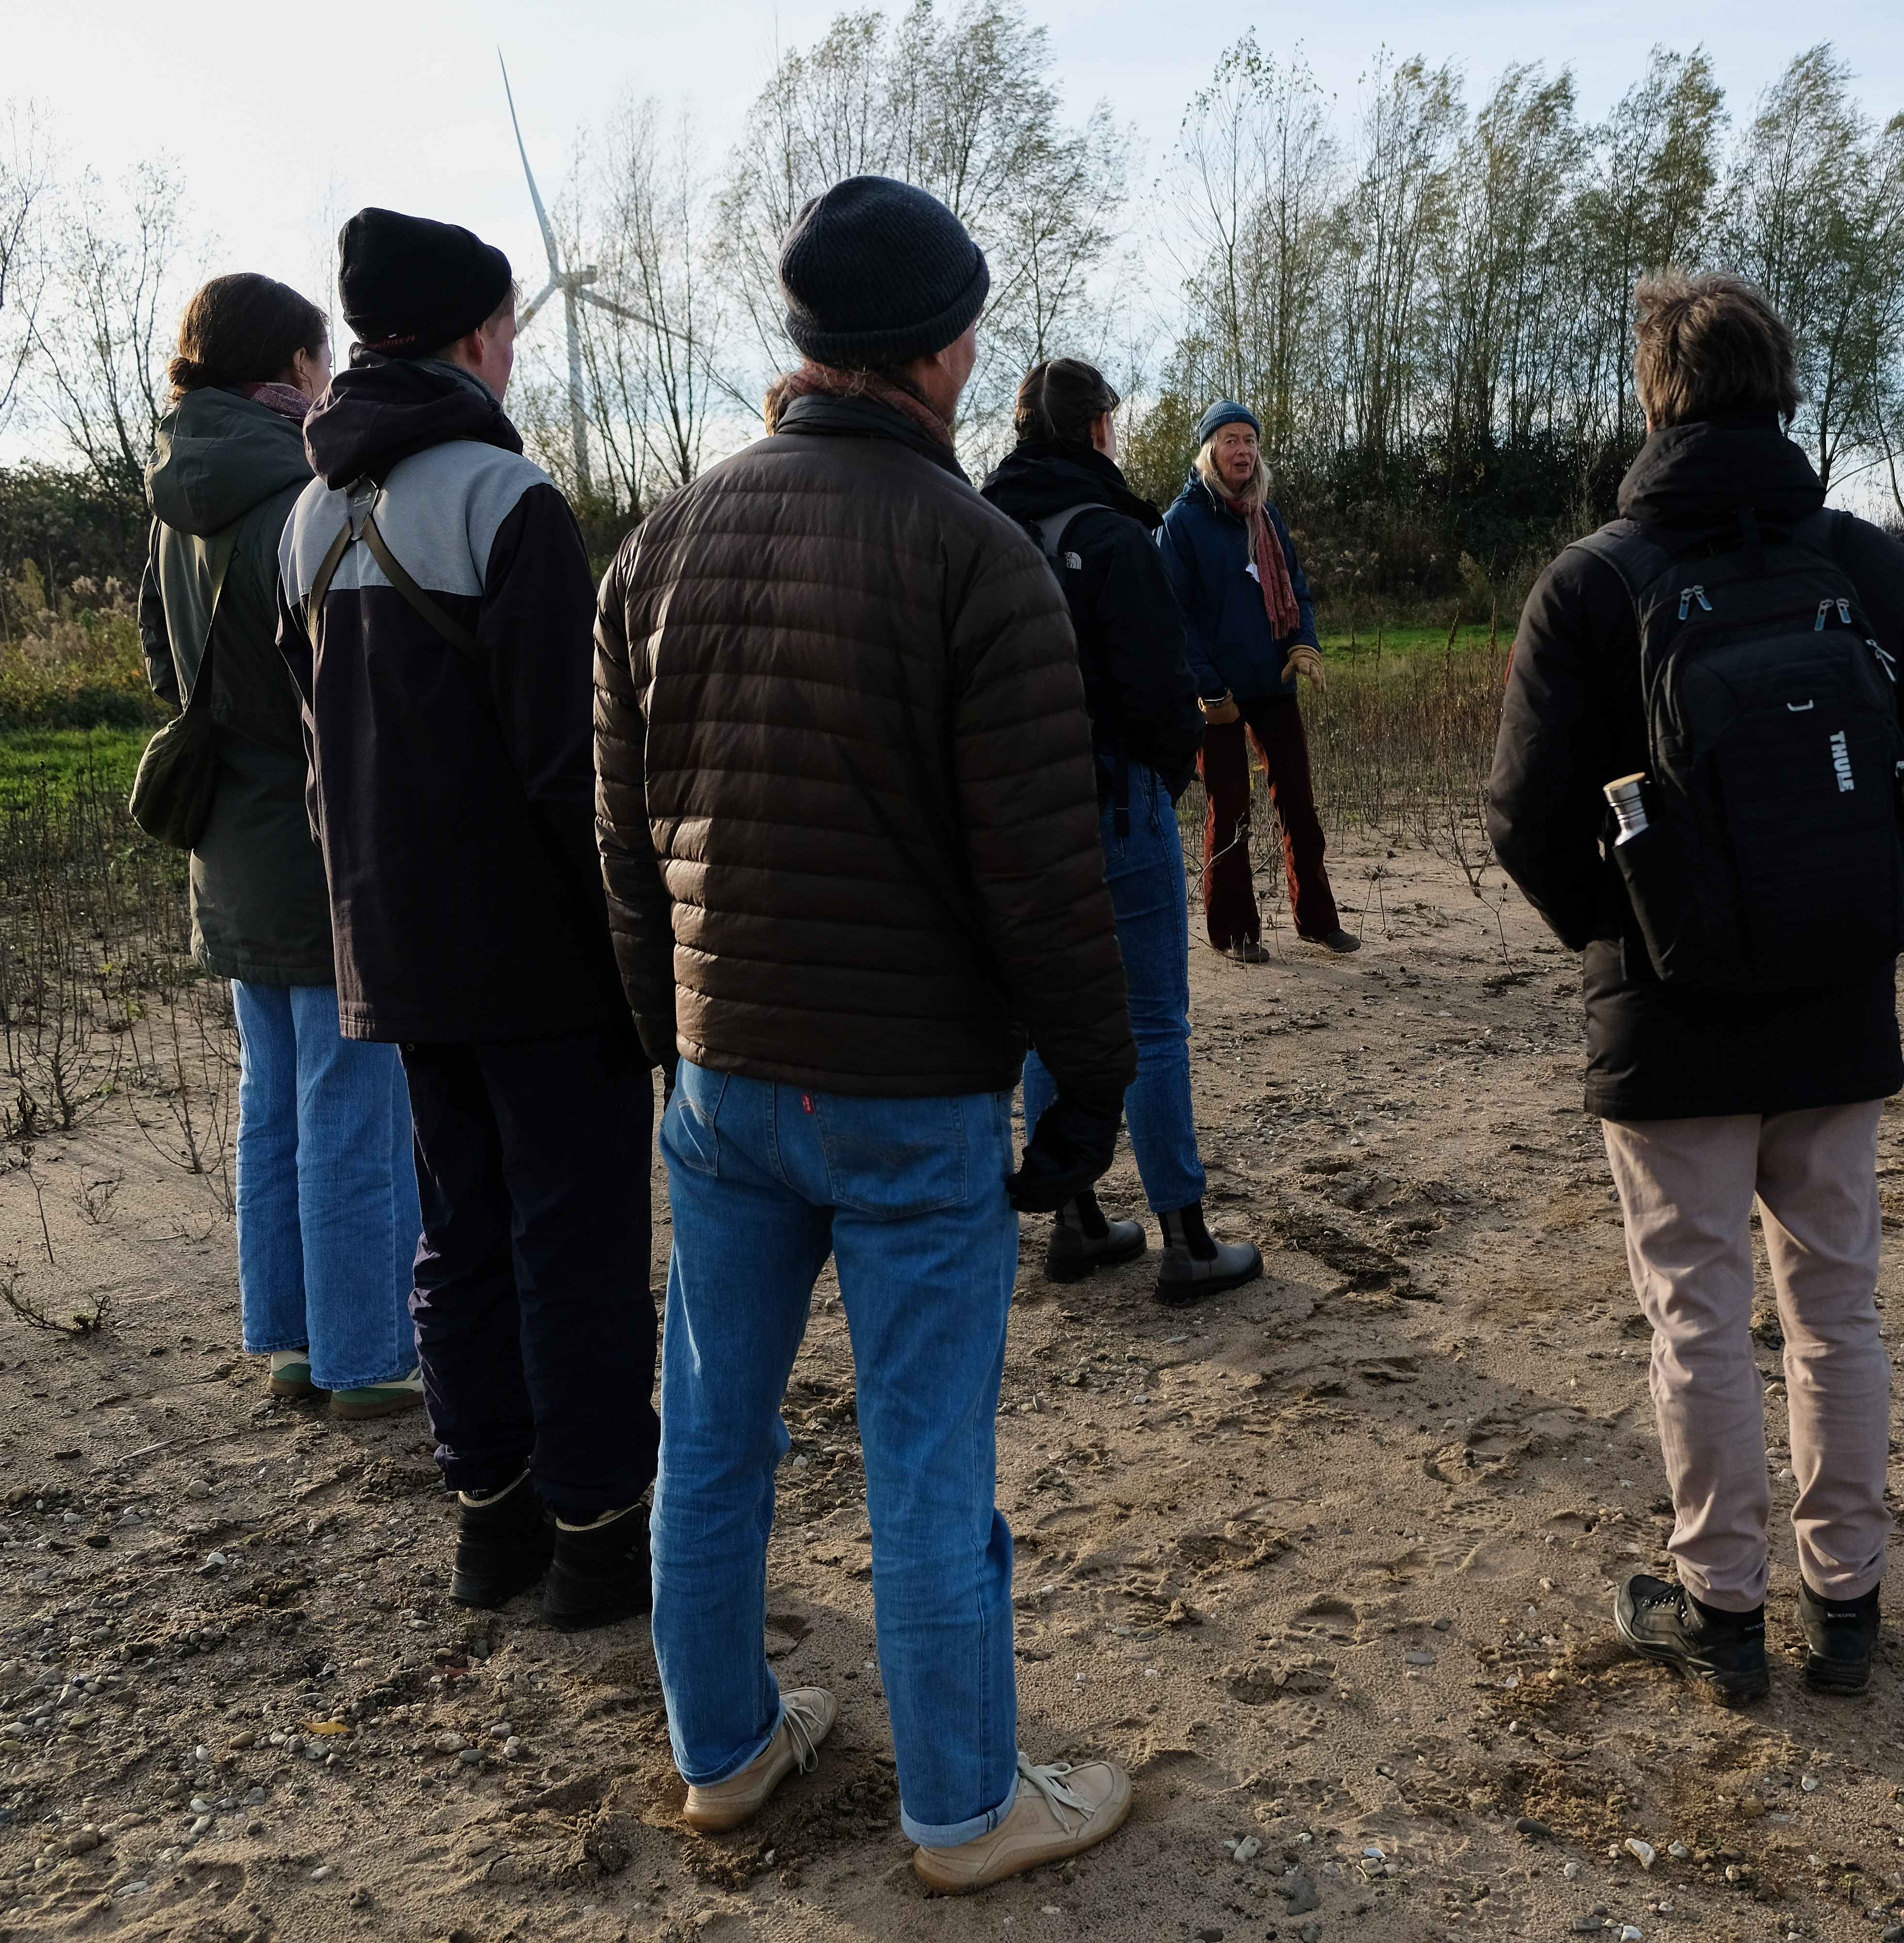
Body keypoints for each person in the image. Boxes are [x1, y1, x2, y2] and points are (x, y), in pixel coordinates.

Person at [596, 175, 1139, 1888]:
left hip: (722, 1074)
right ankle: (965, 1806)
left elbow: (620, 844)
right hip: (907, 1098)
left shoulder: (656, 546)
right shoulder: (976, 561)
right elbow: (1047, 882)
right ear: (952, 346)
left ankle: (726, 1749)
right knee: (922, 1460)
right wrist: (1092, 1086)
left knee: (714, 1437)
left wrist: (664, 1039)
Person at [1487, 271, 1904, 1707]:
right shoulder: (1869, 567)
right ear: (1786, 388)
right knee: (1836, 1308)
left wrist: (1631, 933)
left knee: (1693, 1313)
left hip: (1670, 1020)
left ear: (1653, 394)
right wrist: (1852, 912)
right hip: (1834, 1002)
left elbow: (1522, 819)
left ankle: (1723, 1606)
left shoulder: (1594, 579)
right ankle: (1848, 1602)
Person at [278, 209, 658, 1630]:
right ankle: (599, 1536)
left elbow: (312, 765)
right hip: (541, 965)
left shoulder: (305, 521)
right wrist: (637, 955)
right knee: (574, 1243)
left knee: (458, 1231)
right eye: (509, 324)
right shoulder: (508, 502)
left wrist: (364, 919)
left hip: (394, 957)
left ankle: (488, 1521)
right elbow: (577, 778)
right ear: (476, 336)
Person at [139, 273, 420, 1422]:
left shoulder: (172, 503)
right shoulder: (304, 496)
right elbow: (343, 687)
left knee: (275, 1098)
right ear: (283, 373)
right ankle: (366, 1354)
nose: (329, 382)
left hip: (228, 845)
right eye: (319, 362)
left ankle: (293, 1341)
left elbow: (166, 671)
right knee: (354, 1096)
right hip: (315, 840)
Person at [979, 358, 1264, 1300]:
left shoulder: (980, 528)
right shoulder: (1114, 534)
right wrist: (1173, 769)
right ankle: (1185, 1236)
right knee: (1152, 1020)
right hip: (1114, 797)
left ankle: (1074, 1216)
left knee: (1045, 1014)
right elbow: (1157, 683)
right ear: (1098, 428)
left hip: (1014, 813)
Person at [1157, 402, 1354, 963]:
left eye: (1250, 440)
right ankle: (1234, 931)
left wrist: (1304, 641)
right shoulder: (1182, 524)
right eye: (1230, 440)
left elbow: (1297, 588)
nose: (1243, 450)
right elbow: (1176, 615)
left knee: (1299, 802)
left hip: (1273, 684)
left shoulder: (1266, 517)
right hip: (1217, 696)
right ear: (1209, 451)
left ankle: (1317, 921)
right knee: (1231, 810)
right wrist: (1209, 689)